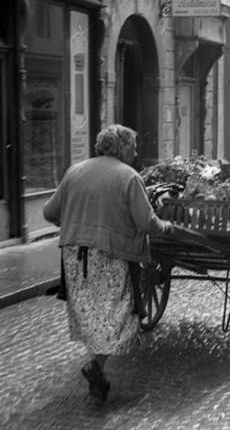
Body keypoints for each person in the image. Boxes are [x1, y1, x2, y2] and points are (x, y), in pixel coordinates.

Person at [43, 124, 174, 401]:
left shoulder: (74, 171)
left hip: (74, 256)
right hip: (110, 254)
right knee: (119, 313)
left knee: (92, 310)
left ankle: (98, 371)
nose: (136, 153)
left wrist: (71, 223)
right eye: (134, 148)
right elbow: (146, 222)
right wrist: (165, 227)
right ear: (123, 147)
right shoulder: (128, 176)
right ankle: (96, 365)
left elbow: (49, 212)